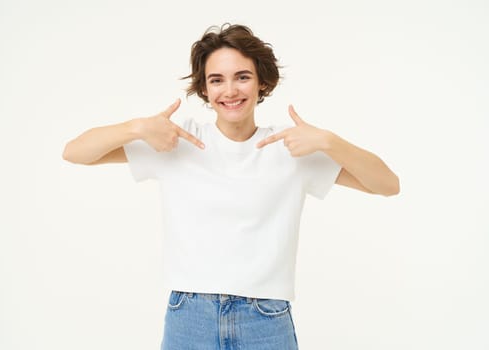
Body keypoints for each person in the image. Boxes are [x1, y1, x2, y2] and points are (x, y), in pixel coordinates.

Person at [63, 23, 399, 350]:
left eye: (242, 77)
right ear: (205, 90)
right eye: (217, 80)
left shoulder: (290, 147)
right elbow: (75, 152)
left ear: (261, 83)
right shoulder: (177, 141)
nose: (230, 90)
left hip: (265, 319)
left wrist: (328, 141)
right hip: (190, 317)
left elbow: (387, 184)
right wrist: (136, 127)